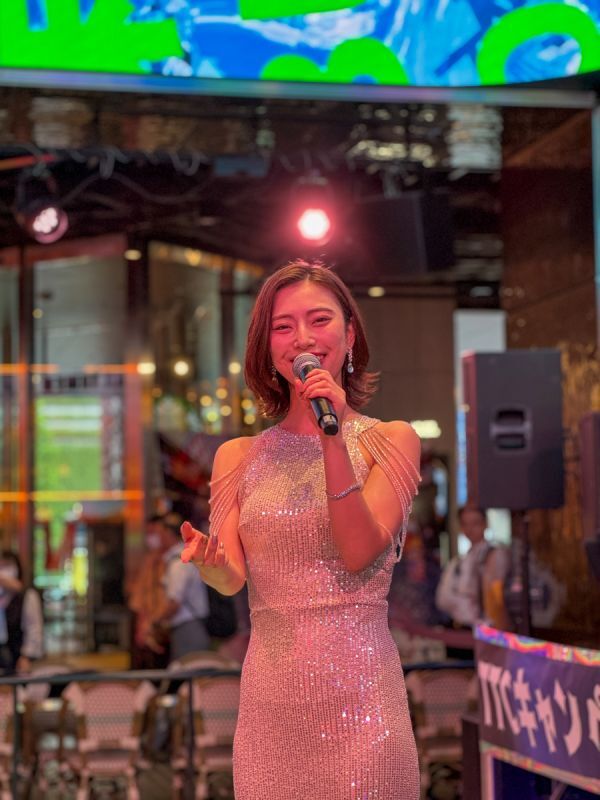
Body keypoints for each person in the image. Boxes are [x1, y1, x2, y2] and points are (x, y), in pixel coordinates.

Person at [180, 260, 422, 799]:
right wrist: (211, 565)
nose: (303, 339)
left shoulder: (391, 440)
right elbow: (232, 579)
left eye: (319, 320)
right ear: (266, 347)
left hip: (365, 707)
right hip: (272, 712)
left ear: (350, 334)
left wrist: (333, 438)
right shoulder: (238, 456)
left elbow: (358, 550)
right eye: (283, 326)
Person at [435, 505, 511, 635]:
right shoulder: (457, 563)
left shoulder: (496, 554)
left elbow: (493, 598)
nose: (470, 529)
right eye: (465, 524)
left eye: (475, 523)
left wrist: (462, 599)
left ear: (485, 524)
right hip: (463, 631)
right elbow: (442, 599)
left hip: (490, 631)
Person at [150, 513, 211, 662]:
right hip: (189, 628)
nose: (157, 538)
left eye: (159, 533)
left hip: (188, 630)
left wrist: (155, 622)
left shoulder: (180, 562)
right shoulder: (181, 558)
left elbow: (174, 603)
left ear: (168, 533)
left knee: (188, 671)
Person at [128, 515, 171, 669]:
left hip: (166, 627)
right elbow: (140, 597)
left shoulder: (172, 560)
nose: (152, 538)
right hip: (150, 627)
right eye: (149, 533)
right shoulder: (149, 561)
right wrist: (143, 626)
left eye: (155, 533)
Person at [0, 550, 44, 674]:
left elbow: (34, 628)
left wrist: (26, 656)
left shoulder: (27, 596)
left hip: (16, 655)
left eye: (7, 565)